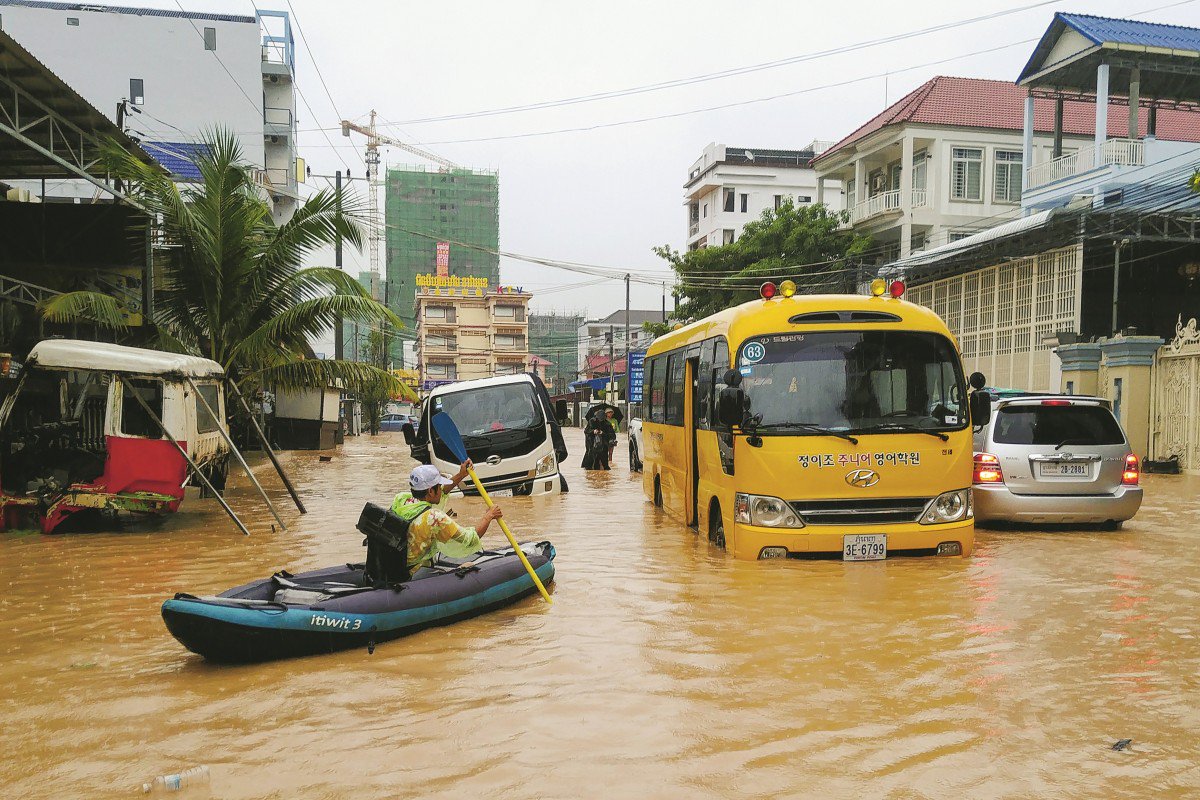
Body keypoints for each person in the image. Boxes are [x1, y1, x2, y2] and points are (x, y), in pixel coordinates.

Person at [391, 463, 504, 572]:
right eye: (439, 486)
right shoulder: (435, 518)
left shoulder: (401, 499)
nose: (441, 489)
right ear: (430, 491)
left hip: (395, 563)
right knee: (468, 565)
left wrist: (461, 475)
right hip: (413, 572)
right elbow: (470, 539)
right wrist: (489, 516)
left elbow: (442, 493)